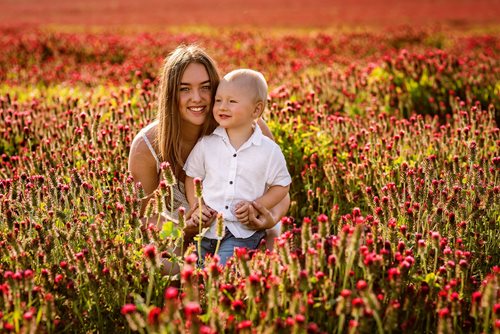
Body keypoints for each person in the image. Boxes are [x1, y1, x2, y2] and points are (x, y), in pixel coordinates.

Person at [127, 45, 290, 273]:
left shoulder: (248, 128)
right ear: (170, 94)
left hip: (245, 231)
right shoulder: (147, 147)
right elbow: (146, 222)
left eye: (205, 87)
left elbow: (281, 192)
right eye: (184, 89)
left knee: (269, 256)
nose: (197, 98)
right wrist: (187, 229)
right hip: (179, 238)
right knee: (159, 263)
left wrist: (268, 218)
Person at [184, 69, 291, 266]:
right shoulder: (207, 144)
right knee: (196, 274)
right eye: (218, 100)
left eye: (232, 102)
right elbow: (192, 176)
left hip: (242, 233)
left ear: (256, 110)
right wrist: (197, 205)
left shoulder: (268, 150)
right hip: (207, 230)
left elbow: (281, 186)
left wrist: (258, 206)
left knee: (220, 274)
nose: (222, 107)